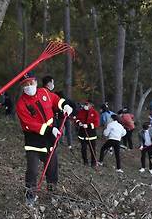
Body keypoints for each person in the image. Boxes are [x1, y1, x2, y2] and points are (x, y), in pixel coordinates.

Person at [16, 72, 73, 205]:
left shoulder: (44, 92)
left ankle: (52, 194)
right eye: (26, 84)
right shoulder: (21, 104)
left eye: (31, 83)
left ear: (35, 82)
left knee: (52, 169)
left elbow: (56, 100)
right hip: (34, 141)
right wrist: (49, 129)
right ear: (22, 87)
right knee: (33, 170)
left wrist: (64, 105)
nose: (29, 86)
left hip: (50, 140)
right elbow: (29, 124)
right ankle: (30, 196)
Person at [75, 100, 100, 166]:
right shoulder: (81, 111)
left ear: (91, 105)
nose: (85, 105)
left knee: (92, 149)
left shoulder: (94, 113)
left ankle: (93, 162)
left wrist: (88, 125)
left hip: (91, 134)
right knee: (83, 148)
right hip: (82, 133)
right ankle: (85, 161)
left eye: (87, 104)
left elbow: (96, 123)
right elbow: (77, 119)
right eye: (85, 104)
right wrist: (78, 122)